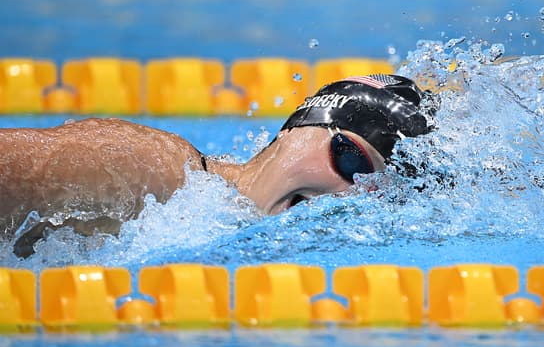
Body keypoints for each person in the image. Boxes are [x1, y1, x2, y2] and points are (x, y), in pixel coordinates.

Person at [0, 74, 433, 258]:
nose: (347, 195)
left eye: (376, 192)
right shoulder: (155, 170)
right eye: (351, 161)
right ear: (294, 133)